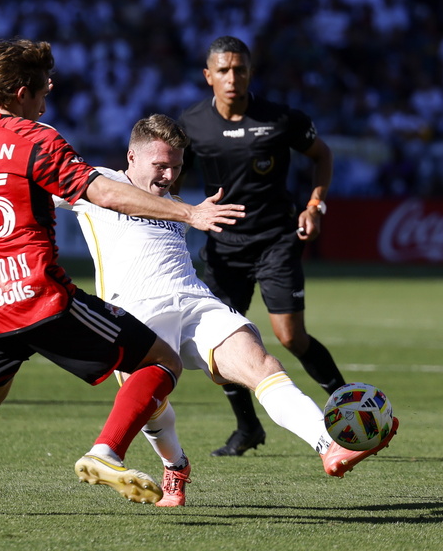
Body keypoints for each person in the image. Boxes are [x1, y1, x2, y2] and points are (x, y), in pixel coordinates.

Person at [0, 38, 245, 513]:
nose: (48, 93)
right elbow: (104, 192)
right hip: (40, 295)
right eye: (42, 88)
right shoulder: (39, 139)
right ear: (20, 93)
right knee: (161, 362)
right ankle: (106, 452)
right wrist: (188, 215)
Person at [54, 114, 399, 506]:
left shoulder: (176, 206)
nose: (169, 175)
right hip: (135, 318)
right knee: (157, 416)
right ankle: (177, 465)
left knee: (262, 364)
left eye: (178, 166)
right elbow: (23, 185)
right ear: (131, 156)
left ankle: (328, 444)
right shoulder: (98, 183)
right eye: (161, 165)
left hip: (194, 302)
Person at [176, 36, 347, 457]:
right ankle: (248, 428)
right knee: (221, 343)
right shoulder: (192, 124)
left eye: (240, 70)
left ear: (250, 73)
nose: (232, 78)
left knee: (290, 337)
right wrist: (181, 210)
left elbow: (321, 155)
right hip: (223, 248)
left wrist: (315, 205)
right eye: (223, 70)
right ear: (208, 76)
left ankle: (349, 407)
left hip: (276, 240)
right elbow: (172, 176)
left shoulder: (280, 118)